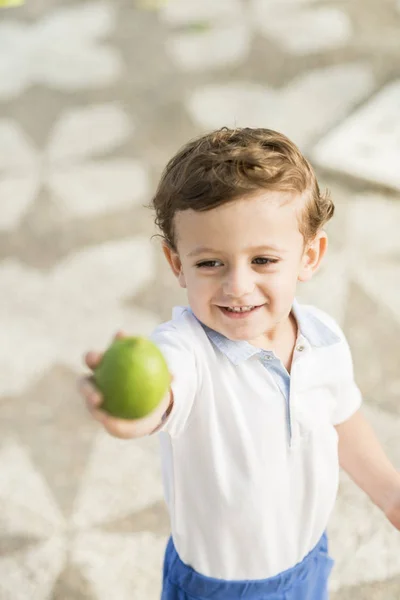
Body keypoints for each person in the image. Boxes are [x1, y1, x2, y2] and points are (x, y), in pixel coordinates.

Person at [79, 127, 400, 600]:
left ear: (309, 257)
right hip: (220, 588)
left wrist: (390, 492)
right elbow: (162, 395)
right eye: (210, 264)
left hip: (307, 557)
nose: (238, 286)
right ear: (176, 264)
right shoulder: (186, 352)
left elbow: (341, 419)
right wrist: (129, 412)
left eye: (264, 260)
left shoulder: (322, 336)